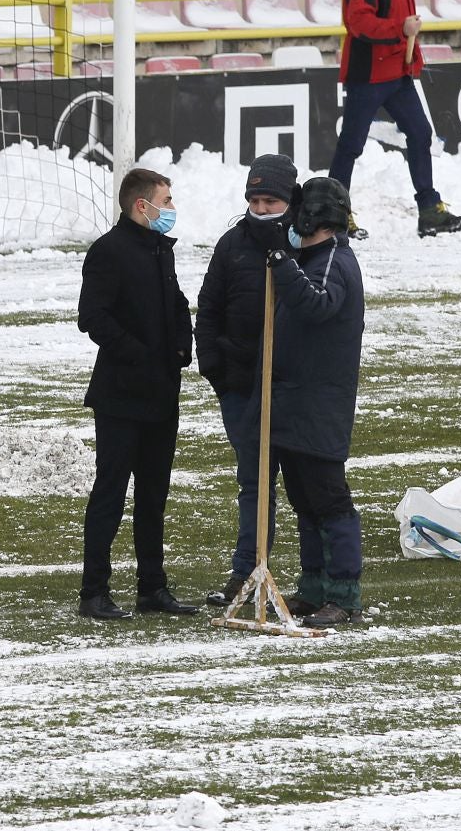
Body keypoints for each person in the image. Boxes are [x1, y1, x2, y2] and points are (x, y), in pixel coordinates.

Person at [240, 177, 366, 629]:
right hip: (294, 404)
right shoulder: (311, 258)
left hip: (318, 407)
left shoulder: (332, 261)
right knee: (305, 502)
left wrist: (282, 264)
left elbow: (317, 304)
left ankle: (343, 594)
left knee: (329, 501)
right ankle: (314, 587)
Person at [76, 167, 197, 620]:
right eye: (165, 201)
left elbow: (176, 303)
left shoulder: (160, 250)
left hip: (162, 392)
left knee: (153, 493)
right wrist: (139, 356)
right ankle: (94, 592)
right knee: (111, 490)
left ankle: (153, 587)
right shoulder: (108, 251)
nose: (171, 209)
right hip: (122, 394)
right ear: (141, 206)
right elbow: (93, 317)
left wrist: (182, 346)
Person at [334, 0, 461, 241]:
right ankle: (334, 215)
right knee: (351, 145)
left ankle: (429, 210)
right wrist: (401, 29)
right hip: (368, 76)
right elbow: (358, 23)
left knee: (421, 134)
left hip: (397, 73)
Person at [195, 153, 299, 607]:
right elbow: (209, 308)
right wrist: (216, 369)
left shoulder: (304, 244)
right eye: (254, 200)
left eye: (270, 201)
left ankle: (320, 581)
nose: (261, 209)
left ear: (289, 201)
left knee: (306, 485)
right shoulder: (231, 245)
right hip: (240, 386)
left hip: (293, 388)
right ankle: (246, 572)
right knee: (253, 483)